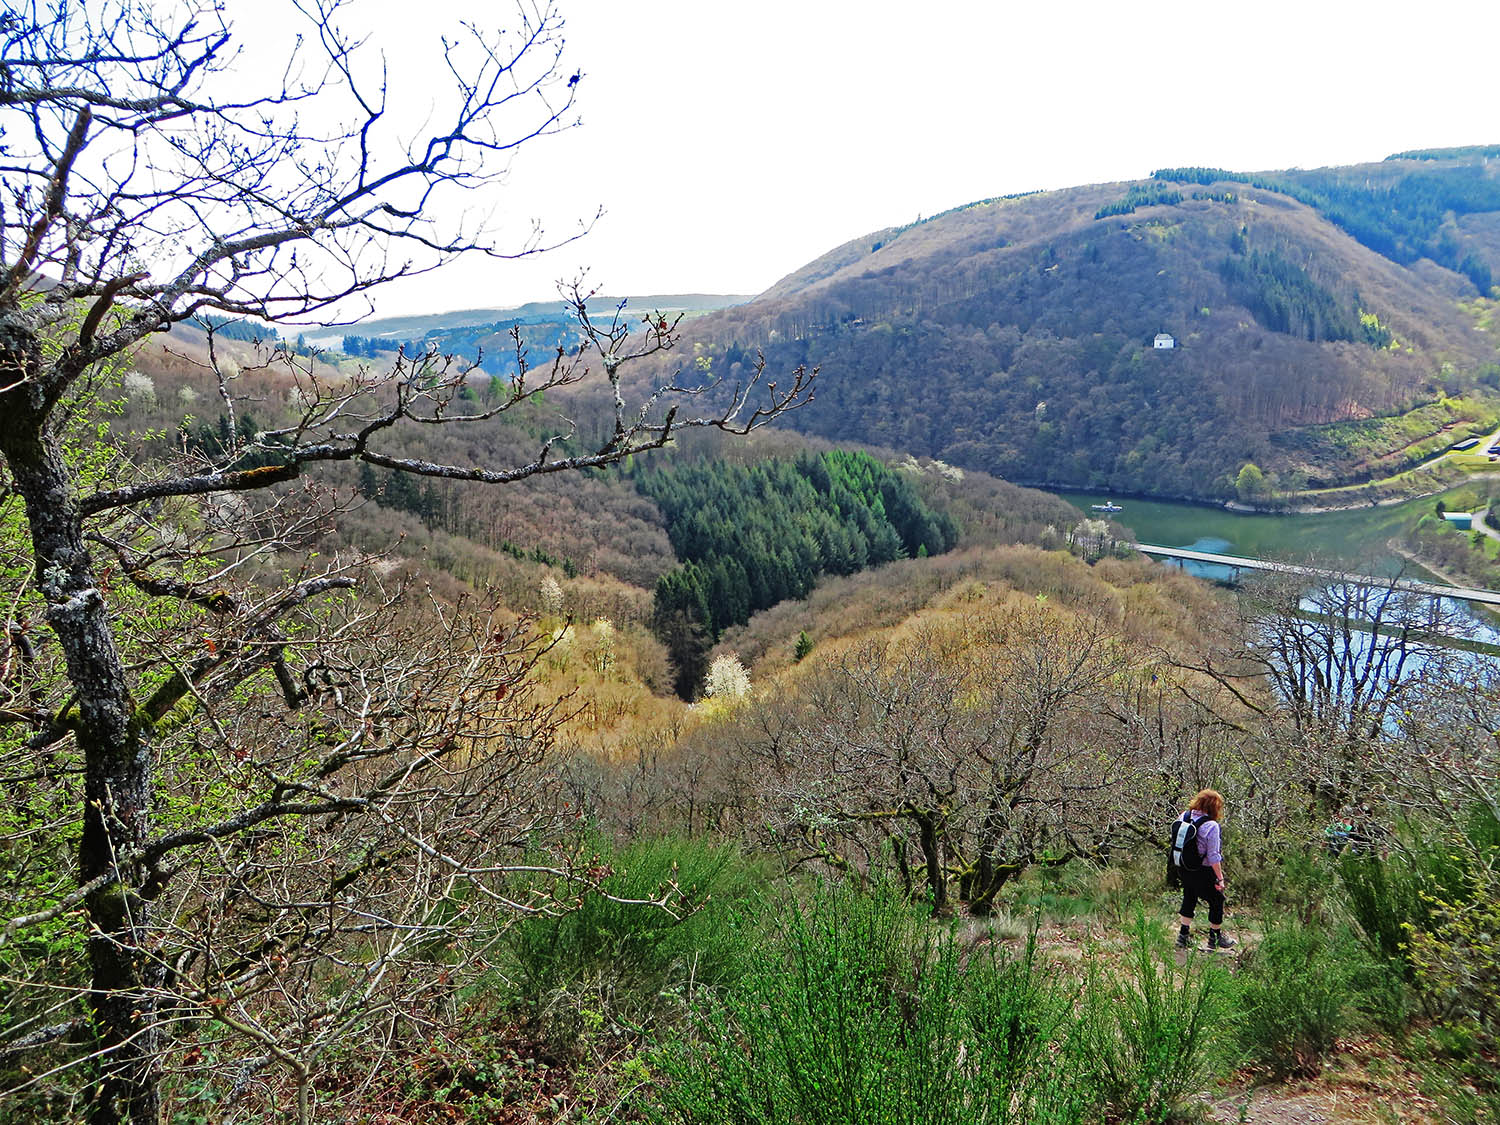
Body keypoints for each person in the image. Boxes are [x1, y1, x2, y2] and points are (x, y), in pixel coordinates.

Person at [1175, 788, 1235, 951]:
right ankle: (1214, 938)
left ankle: (1183, 936)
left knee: (1189, 896)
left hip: (1183, 867)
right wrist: (1220, 878)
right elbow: (1213, 856)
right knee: (1217, 900)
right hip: (1203, 870)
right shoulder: (1211, 826)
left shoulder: (1183, 817)